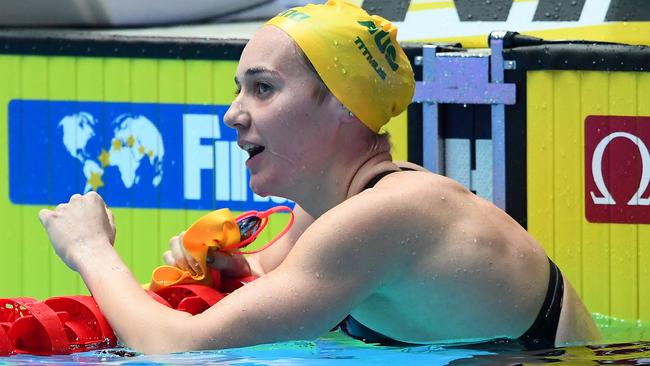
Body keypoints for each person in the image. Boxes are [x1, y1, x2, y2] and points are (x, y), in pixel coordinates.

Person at [38, 0, 600, 354]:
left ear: (343, 106)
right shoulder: (336, 204)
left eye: (262, 88)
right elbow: (269, 278)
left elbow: (180, 349)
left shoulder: (384, 215)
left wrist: (91, 250)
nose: (233, 113)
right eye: (238, 89)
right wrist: (230, 267)